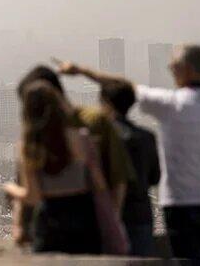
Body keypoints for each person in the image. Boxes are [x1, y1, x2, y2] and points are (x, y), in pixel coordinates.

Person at [56, 44, 200, 266]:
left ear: (185, 68)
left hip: (181, 205)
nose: (170, 69)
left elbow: (124, 86)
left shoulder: (170, 104)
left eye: (173, 66)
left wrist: (80, 70)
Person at [10, 66, 134, 245]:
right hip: (72, 228)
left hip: (76, 226)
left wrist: (108, 225)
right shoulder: (38, 136)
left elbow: (116, 179)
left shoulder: (91, 122)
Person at [12, 80, 106, 254]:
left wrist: (10, 189)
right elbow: (99, 184)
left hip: (50, 221)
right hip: (83, 219)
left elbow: (32, 196)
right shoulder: (82, 138)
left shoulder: (30, 146)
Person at [99, 81, 160, 256]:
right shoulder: (147, 137)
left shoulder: (101, 138)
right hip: (141, 215)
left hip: (109, 216)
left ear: (106, 103)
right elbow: (155, 177)